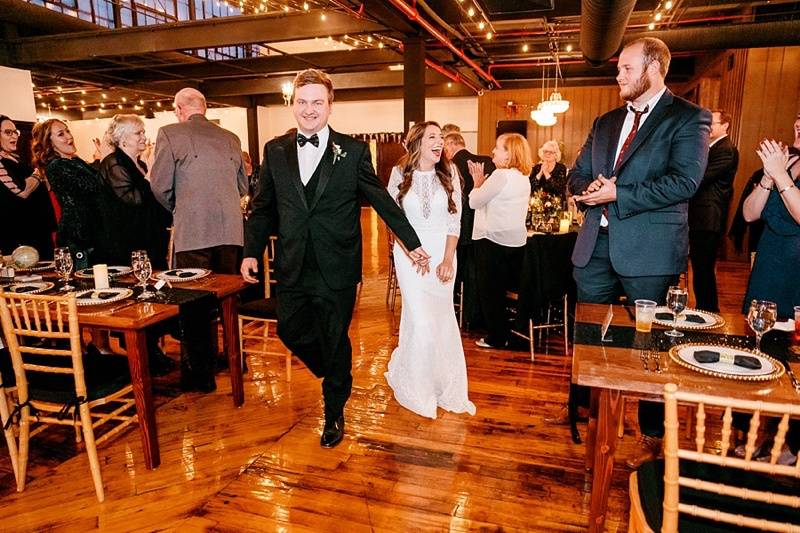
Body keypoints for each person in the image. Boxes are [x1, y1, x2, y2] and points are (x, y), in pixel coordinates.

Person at [241, 69, 429, 448]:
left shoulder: (353, 151)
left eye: (317, 102)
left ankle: (334, 413)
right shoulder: (275, 150)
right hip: (293, 263)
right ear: (292, 104)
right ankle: (337, 372)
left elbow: (380, 199)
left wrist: (411, 242)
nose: (309, 110)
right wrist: (250, 252)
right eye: (302, 102)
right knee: (290, 330)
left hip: (337, 265)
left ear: (330, 106)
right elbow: (262, 208)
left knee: (333, 334)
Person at [567, 37, 710, 468]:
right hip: (595, 245)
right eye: (618, 68)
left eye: (627, 68)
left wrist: (618, 193)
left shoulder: (687, 118)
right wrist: (584, 190)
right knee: (589, 339)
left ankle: (652, 430)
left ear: (654, 69)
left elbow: (685, 182)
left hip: (650, 249)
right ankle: (589, 414)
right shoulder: (606, 121)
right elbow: (577, 173)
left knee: (650, 345)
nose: (618, 75)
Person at [384, 121, 476, 419]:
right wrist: (410, 250)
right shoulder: (399, 174)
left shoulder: (450, 174)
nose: (440, 142)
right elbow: (392, 218)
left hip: (441, 254)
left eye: (441, 137)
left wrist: (448, 259)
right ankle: (419, 388)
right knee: (421, 320)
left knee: (439, 318)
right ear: (418, 144)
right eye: (433, 137)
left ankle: (441, 381)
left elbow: (455, 221)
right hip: (409, 255)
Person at [150, 88, 248, 274]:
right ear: (204, 109)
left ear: (179, 109)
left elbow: (160, 186)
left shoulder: (169, 134)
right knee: (227, 292)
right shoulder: (231, 137)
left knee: (195, 293)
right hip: (230, 232)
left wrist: (183, 206)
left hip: (193, 231)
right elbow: (242, 186)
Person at [468, 133, 532, 349]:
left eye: (498, 148)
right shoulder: (523, 178)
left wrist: (477, 184)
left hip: (492, 240)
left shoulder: (500, 175)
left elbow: (474, 202)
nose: (493, 151)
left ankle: (497, 336)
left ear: (509, 154)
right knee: (504, 290)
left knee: (491, 291)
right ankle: (508, 331)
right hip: (515, 241)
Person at [32, 119, 111, 269]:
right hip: (78, 239)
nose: (69, 136)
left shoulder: (76, 161)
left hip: (91, 235)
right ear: (49, 143)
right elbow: (95, 186)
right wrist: (105, 159)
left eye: (68, 131)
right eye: (61, 134)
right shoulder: (56, 166)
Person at [98, 114, 172, 269]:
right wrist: (151, 174)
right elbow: (134, 199)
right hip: (127, 243)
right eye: (138, 133)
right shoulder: (113, 163)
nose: (144, 137)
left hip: (149, 239)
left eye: (143, 132)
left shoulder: (140, 165)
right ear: (122, 138)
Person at [742, 137, 800, 319]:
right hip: (768, 267)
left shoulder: (781, 169)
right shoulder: (789, 161)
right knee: (757, 334)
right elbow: (749, 214)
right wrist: (768, 177)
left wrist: (780, 175)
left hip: (796, 272)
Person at [688, 109, 739, 312]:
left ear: (725, 125)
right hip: (700, 217)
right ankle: (703, 308)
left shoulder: (726, 149)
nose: (708, 127)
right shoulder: (711, 148)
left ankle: (709, 310)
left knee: (704, 269)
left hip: (709, 218)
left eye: (712, 123)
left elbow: (700, 178)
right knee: (700, 268)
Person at [444, 132, 495, 330]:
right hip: (483, 225)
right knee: (477, 272)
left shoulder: (450, 167)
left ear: (450, 146)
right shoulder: (486, 162)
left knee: (461, 272)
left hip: (460, 228)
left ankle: (461, 314)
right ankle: (476, 314)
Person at [0, 115, 56, 257]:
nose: (15, 136)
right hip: (23, 239)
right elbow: (22, 190)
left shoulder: (15, 159)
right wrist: (39, 173)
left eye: (15, 132)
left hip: (39, 233)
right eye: (8, 132)